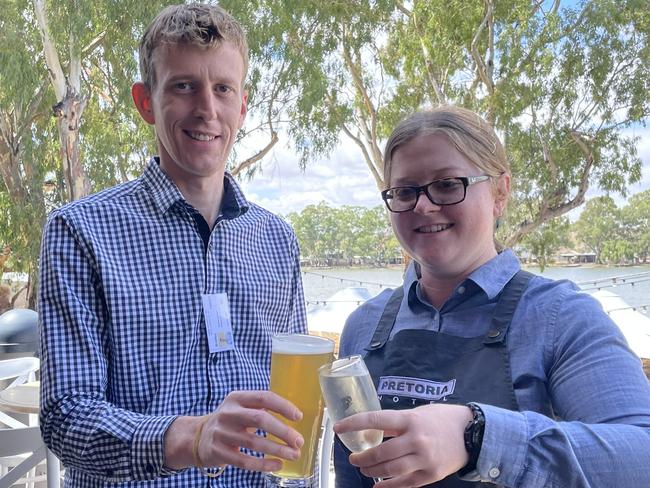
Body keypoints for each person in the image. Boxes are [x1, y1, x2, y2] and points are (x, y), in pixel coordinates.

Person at [38, 4, 308, 487]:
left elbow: (292, 405)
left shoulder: (277, 240)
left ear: (242, 106)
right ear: (145, 101)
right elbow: (66, 417)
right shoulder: (80, 231)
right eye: (184, 86)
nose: (207, 108)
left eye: (223, 88)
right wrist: (189, 437)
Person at [333, 105, 650, 487]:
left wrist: (477, 437)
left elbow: (640, 457)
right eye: (404, 191)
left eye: (448, 184)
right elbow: (351, 470)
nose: (423, 204)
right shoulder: (363, 325)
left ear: (500, 192)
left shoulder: (560, 316)